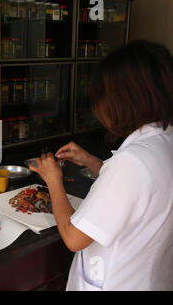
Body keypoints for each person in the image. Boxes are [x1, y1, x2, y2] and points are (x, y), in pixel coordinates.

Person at [29, 40, 173, 290]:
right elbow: (142, 190)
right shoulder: (163, 140)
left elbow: (74, 238)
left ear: (122, 101)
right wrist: (92, 162)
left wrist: (53, 180)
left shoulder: (132, 162)